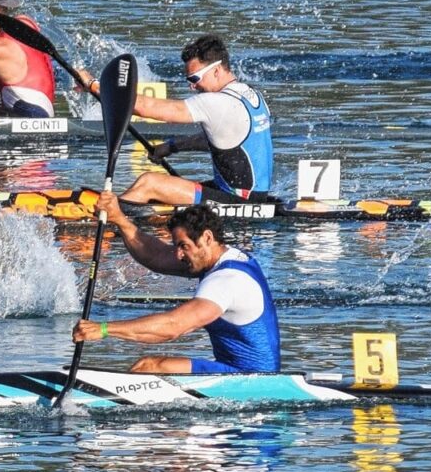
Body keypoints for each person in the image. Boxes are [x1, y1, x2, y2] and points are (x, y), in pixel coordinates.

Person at [72, 193, 280, 373]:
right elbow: (157, 256)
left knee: (148, 367)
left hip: (249, 378)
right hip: (233, 369)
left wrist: (104, 329)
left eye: (183, 246)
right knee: (149, 365)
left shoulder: (226, 281)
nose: (179, 254)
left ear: (207, 237)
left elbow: (173, 327)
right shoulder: (221, 257)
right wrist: (119, 219)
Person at [80, 34, 272, 205]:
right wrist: (169, 147)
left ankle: (108, 213)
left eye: (195, 79)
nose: (192, 87)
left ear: (217, 71)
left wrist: (93, 85)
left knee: (149, 183)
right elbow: (221, 140)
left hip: (237, 201)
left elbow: (147, 108)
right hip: (254, 195)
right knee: (159, 188)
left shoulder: (217, 103)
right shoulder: (252, 95)